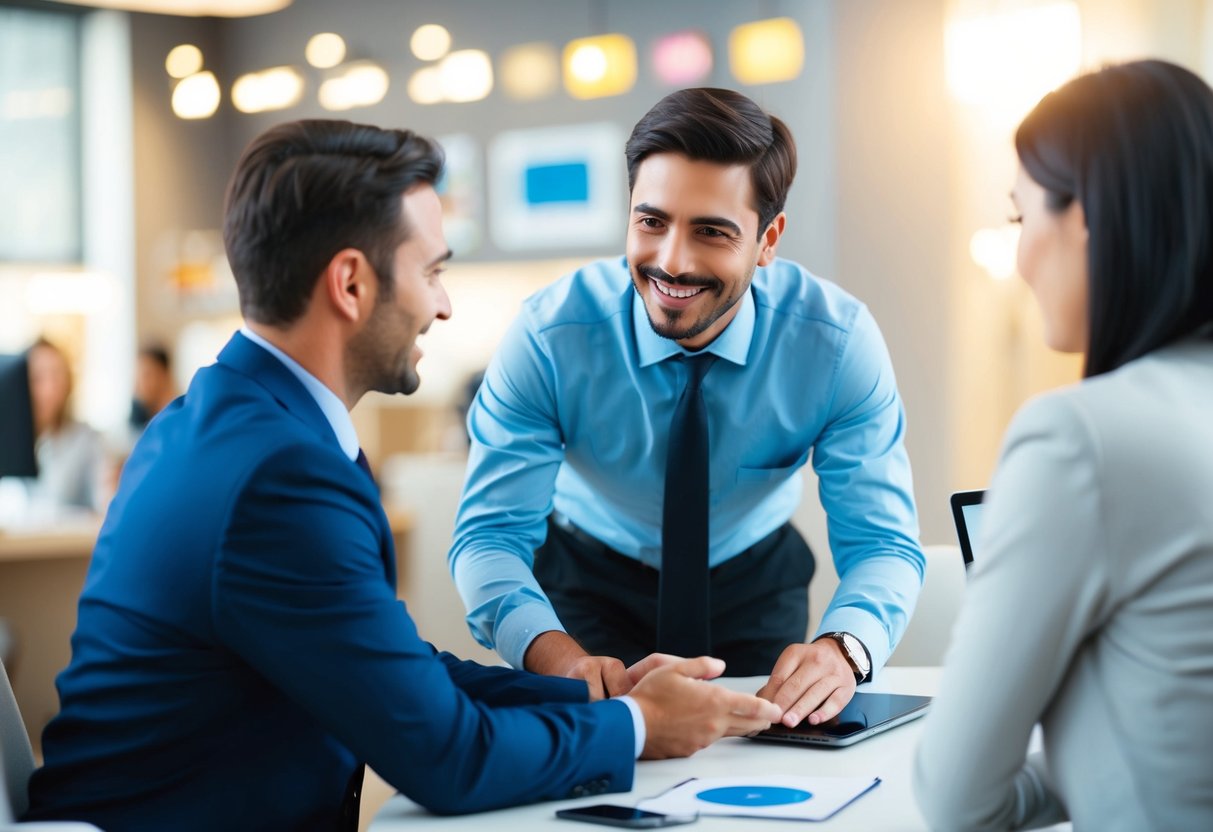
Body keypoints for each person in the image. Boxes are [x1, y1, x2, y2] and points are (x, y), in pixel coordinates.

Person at [24, 119, 781, 831]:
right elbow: (445, 758)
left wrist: (592, 692)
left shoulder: (227, 419)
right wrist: (642, 727)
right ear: (351, 284)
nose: (444, 305)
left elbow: (396, 669)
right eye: (432, 271)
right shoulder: (280, 478)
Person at [450, 87, 925, 730]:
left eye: (710, 231)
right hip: (585, 587)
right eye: (652, 222)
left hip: (752, 583)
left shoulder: (836, 346)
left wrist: (846, 650)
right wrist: (550, 652)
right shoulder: (549, 337)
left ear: (767, 239)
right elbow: (490, 536)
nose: (672, 261)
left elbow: (882, 543)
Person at [914, 59, 1213, 831]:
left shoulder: (1081, 439)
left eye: (1020, 219)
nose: (1017, 259)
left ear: (1082, 215)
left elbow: (957, 802)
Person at [20, 338, 108, 517]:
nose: (50, 389)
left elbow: (104, 503)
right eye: (38, 378)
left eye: (57, 376)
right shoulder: (11, 442)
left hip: (66, 543)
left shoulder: (88, 440)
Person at [128, 342, 177, 434]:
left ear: (164, 374)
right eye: (137, 377)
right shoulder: (143, 424)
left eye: (146, 375)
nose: (137, 386)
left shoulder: (179, 421)